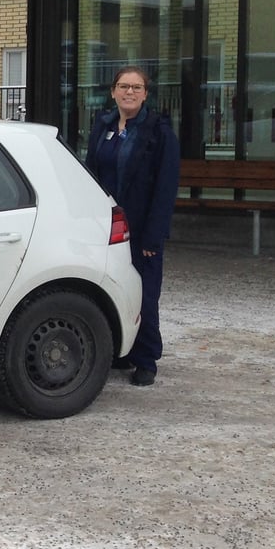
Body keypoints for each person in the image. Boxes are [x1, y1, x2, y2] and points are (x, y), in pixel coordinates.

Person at [85, 66, 180, 387]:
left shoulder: (159, 131)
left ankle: (146, 357)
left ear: (145, 94)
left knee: (145, 293)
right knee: (112, 286)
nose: (129, 92)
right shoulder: (104, 125)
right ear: (113, 91)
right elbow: (91, 174)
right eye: (124, 86)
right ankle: (123, 351)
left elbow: (165, 188)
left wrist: (154, 234)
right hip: (108, 227)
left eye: (136, 88)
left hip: (141, 229)